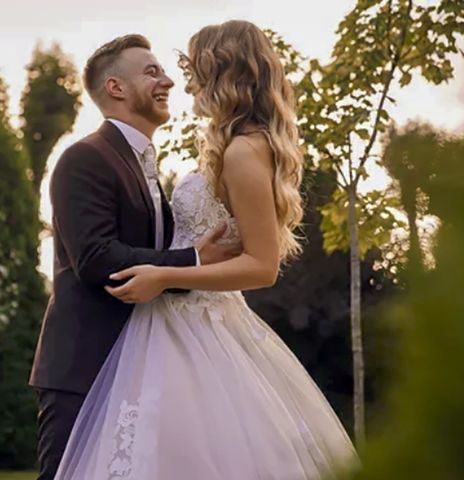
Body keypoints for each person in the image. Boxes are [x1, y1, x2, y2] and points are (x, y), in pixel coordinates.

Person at [53, 20, 358, 479]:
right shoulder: (221, 148)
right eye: (159, 71)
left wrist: (169, 274)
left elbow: (262, 265)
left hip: (195, 327)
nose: (180, 80)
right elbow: (100, 255)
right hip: (160, 331)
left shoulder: (242, 151)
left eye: (190, 67)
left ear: (221, 71)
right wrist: (182, 263)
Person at [28, 34, 241, 480]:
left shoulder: (141, 162)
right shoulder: (83, 158)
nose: (168, 82)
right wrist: (195, 261)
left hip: (139, 364)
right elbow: (96, 257)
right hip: (84, 367)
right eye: (152, 72)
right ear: (116, 88)